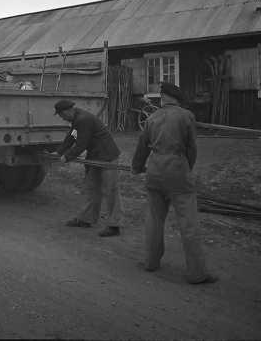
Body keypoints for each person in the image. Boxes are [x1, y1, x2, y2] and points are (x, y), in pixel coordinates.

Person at [131, 82, 217, 284]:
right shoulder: (185, 116)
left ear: (163, 98)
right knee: (188, 224)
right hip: (177, 171)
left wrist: (136, 167)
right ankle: (197, 274)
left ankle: (151, 262)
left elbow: (142, 146)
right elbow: (191, 148)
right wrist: (188, 168)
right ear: (177, 99)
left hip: (154, 171)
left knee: (154, 220)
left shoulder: (151, 117)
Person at [54, 99, 123, 237]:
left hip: (107, 156)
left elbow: (81, 144)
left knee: (110, 190)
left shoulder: (83, 119)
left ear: (67, 111)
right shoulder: (76, 119)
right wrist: (59, 152)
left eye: (61, 115)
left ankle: (114, 225)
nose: (62, 118)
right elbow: (72, 137)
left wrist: (67, 157)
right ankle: (86, 219)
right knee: (91, 188)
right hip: (95, 157)